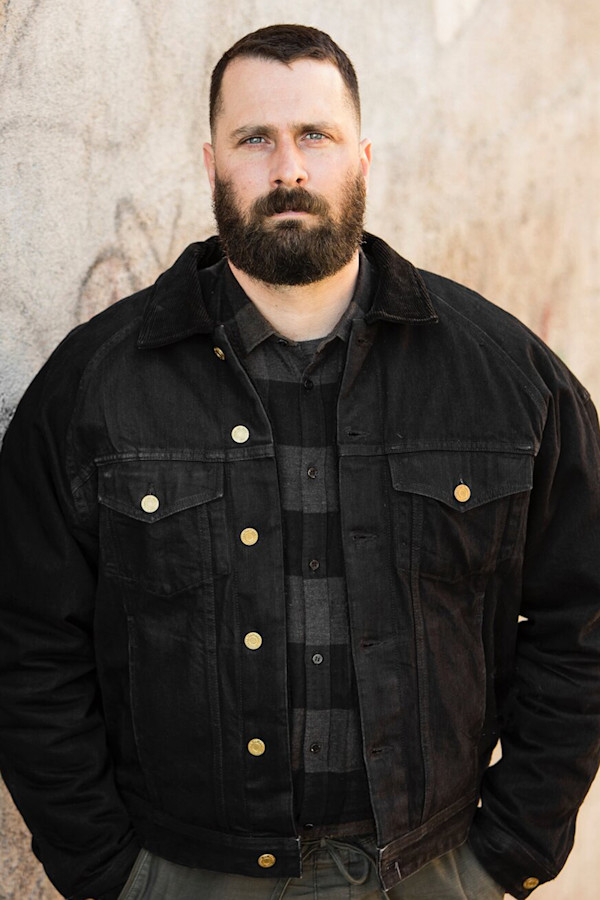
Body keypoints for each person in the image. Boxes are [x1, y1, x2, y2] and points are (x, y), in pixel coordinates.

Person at [0, 23, 599, 900]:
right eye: (255, 139)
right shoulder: (93, 388)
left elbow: (583, 619)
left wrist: (508, 851)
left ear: (363, 158)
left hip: (433, 868)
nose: (288, 169)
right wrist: (111, 873)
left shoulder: (507, 379)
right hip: (186, 874)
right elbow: (25, 643)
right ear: (212, 164)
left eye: (314, 135)